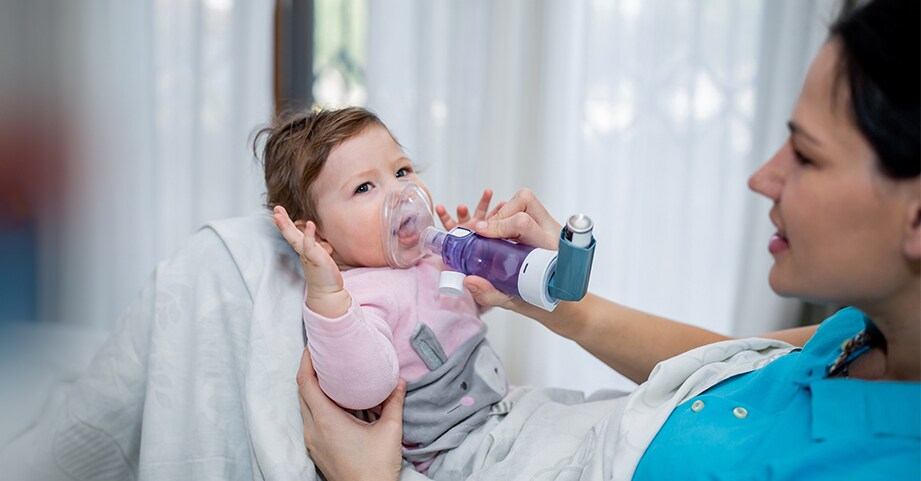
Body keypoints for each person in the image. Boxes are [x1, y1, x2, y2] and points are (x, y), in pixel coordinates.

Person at [294, 0, 920, 479]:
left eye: (806, 156)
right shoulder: (858, 332)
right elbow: (728, 360)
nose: (763, 177)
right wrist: (541, 296)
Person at [256, 106, 510, 475]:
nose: (401, 192)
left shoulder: (426, 257)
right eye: (364, 187)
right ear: (319, 235)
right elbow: (365, 387)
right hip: (460, 453)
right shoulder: (357, 296)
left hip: (502, 410)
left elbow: (470, 305)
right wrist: (327, 297)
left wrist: (475, 258)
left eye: (402, 170)